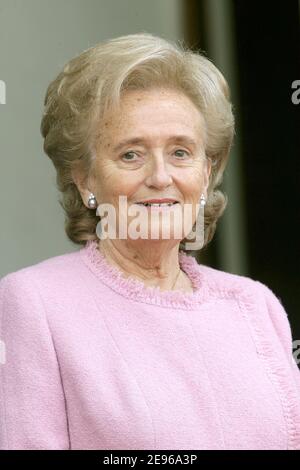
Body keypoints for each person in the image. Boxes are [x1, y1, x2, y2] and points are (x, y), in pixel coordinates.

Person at [0, 32, 299, 450]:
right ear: (84, 176)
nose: (161, 177)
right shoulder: (36, 303)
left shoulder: (255, 305)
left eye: (180, 152)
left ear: (207, 171)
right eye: (131, 154)